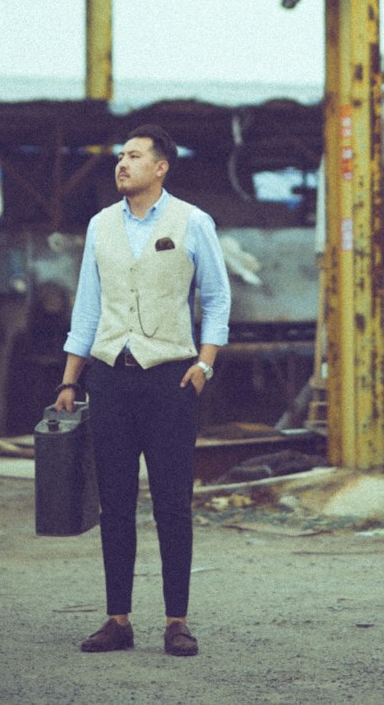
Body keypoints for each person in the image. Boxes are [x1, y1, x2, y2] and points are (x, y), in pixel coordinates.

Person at [55, 124, 231, 658]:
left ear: (161, 167)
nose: (122, 163)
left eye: (134, 156)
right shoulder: (101, 225)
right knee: (115, 502)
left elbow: (218, 299)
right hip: (110, 376)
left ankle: (176, 621)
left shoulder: (192, 222)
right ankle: (118, 620)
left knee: (173, 503)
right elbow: (87, 306)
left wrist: (204, 364)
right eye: (120, 156)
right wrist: (69, 379)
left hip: (170, 377)